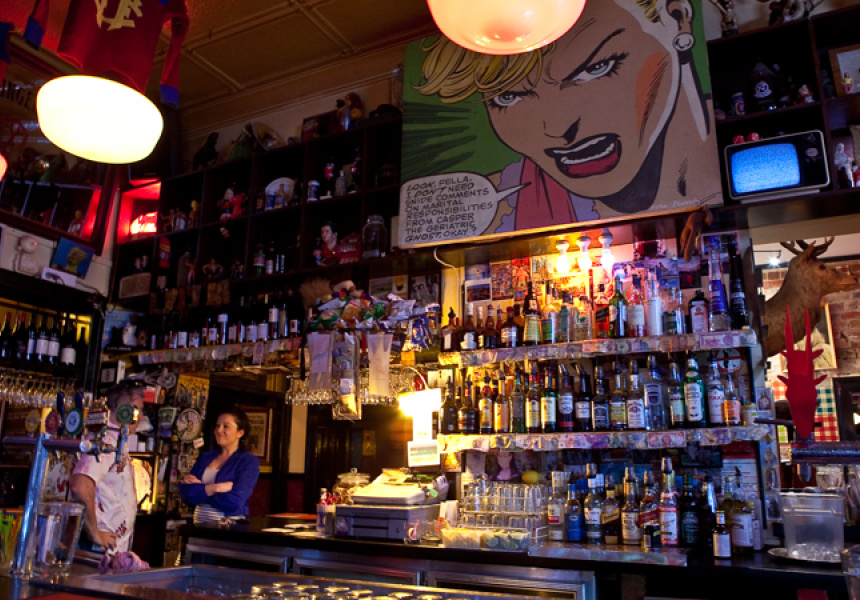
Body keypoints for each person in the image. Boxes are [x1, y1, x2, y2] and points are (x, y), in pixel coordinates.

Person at [415, 0, 719, 234]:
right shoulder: (496, 205)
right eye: (508, 97)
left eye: (596, 68)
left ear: (677, 19)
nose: (556, 128)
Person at [70, 379, 146, 553]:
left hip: (108, 550)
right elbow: (80, 485)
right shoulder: (106, 441)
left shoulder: (116, 441)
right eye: (138, 410)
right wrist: (95, 534)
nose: (141, 417)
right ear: (124, 410)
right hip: (97, 549)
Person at [179, 407, 260, 524]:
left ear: (240, 432)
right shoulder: (205, 457)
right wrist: (216, 488)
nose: (219, 430)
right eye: (217, 426)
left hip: (228, 527)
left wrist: (201, 489)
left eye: (226, 426)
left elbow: (234, 502)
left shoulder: (248, 461)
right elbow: (187, 495)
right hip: (198, 526)